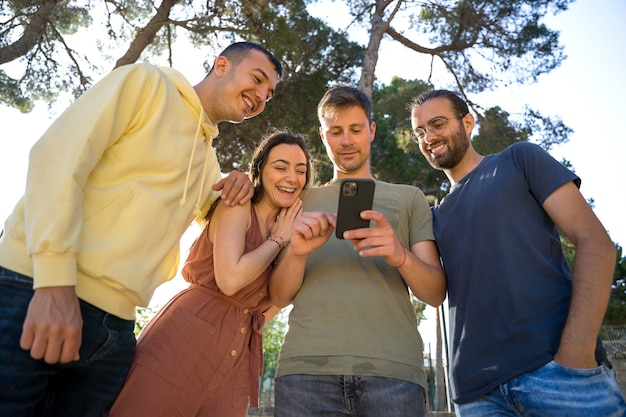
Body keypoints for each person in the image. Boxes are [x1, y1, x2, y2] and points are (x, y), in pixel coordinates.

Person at [0, 41, 282, 417]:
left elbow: (226, 231)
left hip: (115, 332)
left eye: (270, 93)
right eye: (257, 79)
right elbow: (57, 158)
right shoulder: (147, 84)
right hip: (36, 289)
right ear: (221, 65)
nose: (261, 96)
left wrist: (244, 187)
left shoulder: (208, 163)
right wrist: (54, 282)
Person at [409, 89, 626, 416]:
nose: (429, 137)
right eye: (420, 132)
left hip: (558, 374)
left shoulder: (519, 159)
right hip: (477, 395)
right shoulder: (434, 216)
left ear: (467, 123)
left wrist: (577, 351)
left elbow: (595, 242)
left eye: (438, 124)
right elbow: (433, 292)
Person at [268, 85, 447, 417]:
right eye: (336, 131)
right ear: (323, 136)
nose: (346, 140)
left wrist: (400, 255)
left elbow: (435, 293)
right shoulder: (297, 201)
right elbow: (278, 295)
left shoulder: (410, 198)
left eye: (355, 129)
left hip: (393, 373)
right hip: (305, 372)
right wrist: (298, 253)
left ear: (372, 130)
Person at [109, 130, 313, 417]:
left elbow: (277, 301)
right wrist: (276, 241)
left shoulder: (290, 230)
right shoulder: (238, 206)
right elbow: (230, 280)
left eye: (300, 171)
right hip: (188, 334)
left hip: (239, 351)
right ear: (259, 171)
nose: (292, 177)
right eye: (280, 167)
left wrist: (289, 243)